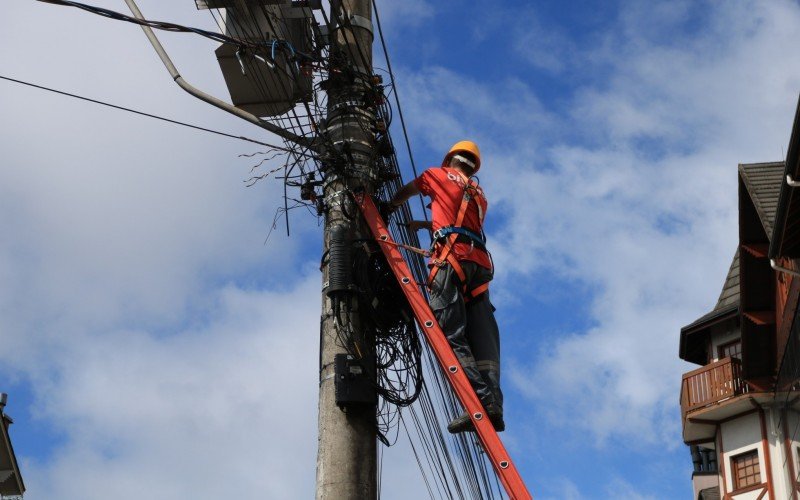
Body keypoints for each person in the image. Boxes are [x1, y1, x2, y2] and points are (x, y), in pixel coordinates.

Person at [390, 140, 503, 433]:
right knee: (483, 338)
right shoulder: (478, 194)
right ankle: (495, 404)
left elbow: (409, 191)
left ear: (450, 159)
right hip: (478, 265)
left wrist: (391, 204)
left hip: (450, 260)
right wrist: (425, 225)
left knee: (450, 331)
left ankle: (479, 401)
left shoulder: (437, 175)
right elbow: (461, 222)